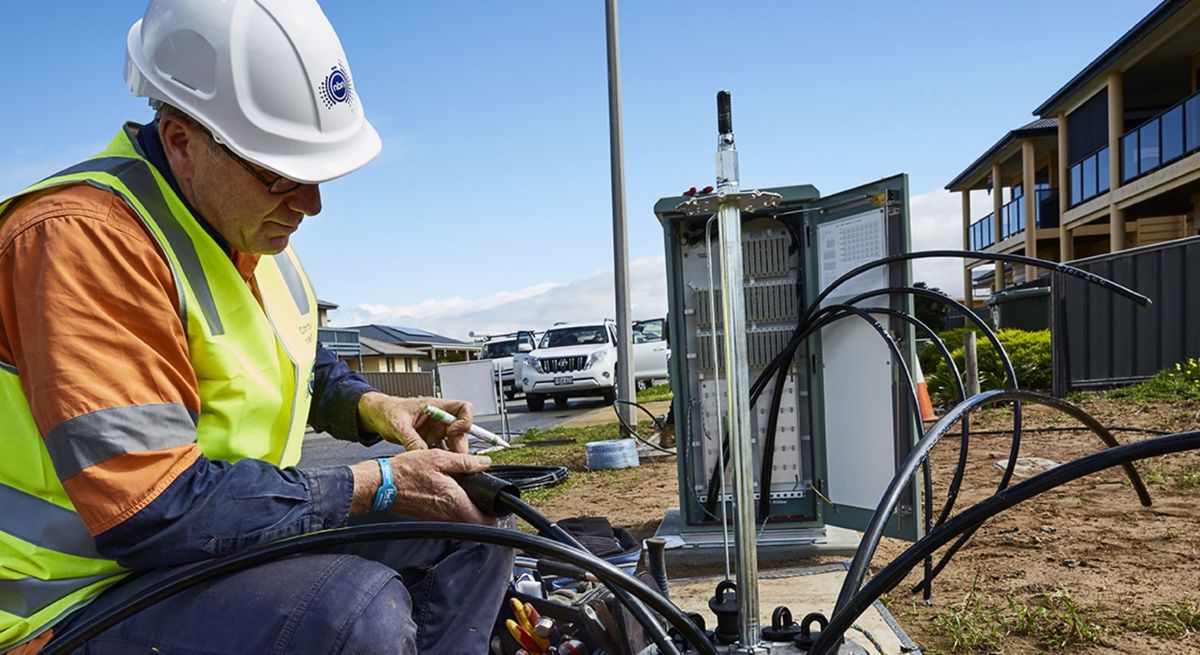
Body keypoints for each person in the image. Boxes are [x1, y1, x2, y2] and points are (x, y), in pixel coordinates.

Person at [0, 1, 512, 652]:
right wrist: (376, 485)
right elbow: (154, 511)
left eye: (316, 173)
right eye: (281, 174)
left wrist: (379, 408)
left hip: (216, 549)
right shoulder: (82, 241)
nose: (311, 204)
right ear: (183, 141)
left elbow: (300, 360)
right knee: (353, 615)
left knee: (475, 532)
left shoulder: (248, 229)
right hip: (77, 598)